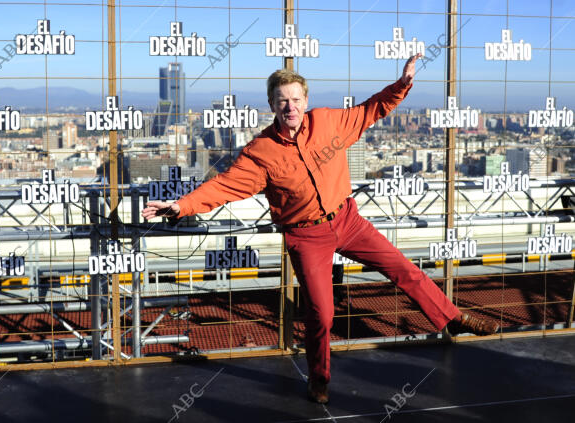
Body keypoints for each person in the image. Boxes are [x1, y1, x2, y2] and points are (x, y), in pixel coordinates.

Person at [142, 53, 499, 404]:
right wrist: (179, 205)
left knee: (403, 268)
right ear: (271, 104)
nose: (290, 107)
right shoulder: (260, 152)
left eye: (296, 99)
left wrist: (402, 85)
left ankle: (453, 318)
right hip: (306, 235)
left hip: (348, 219)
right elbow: (223, 187)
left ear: (306, 100)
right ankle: (319, 379)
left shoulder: (329, 122)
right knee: (321, 314)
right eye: (282, 101)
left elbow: (370, 109)